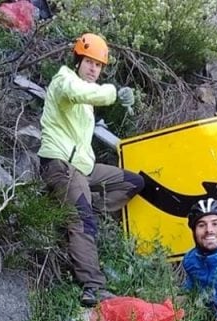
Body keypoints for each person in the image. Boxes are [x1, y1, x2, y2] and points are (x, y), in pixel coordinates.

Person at [38, 32, 144, 307]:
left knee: (133, 183)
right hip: (60, 164)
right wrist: (113, 93)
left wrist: (120, 102)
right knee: (83, 220)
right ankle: (92, 287)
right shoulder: (65, 80)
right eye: (89, 62)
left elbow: (91, 98)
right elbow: (80, 93)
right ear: (78, 61)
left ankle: (77, 211)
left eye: (98, 65)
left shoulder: (87, 98)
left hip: (82, 168)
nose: (94, 69)